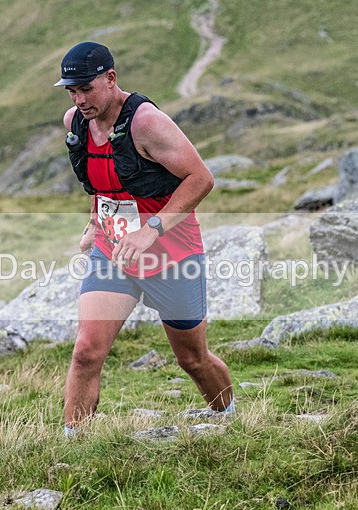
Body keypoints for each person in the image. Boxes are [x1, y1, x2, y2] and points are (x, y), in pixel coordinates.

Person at [55, 42, 233, 437]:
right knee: (86, 353)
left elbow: (201, 179)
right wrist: (94, 223)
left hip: (171, 253)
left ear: (111, 78)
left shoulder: (147, 123)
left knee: (192, 359)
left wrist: (150, 230)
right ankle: (73, 446)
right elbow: (100, 180)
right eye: (72, 91)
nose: (79, 100)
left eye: (86, 89)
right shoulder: (77, 122)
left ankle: (228, 417)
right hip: (113, 252)